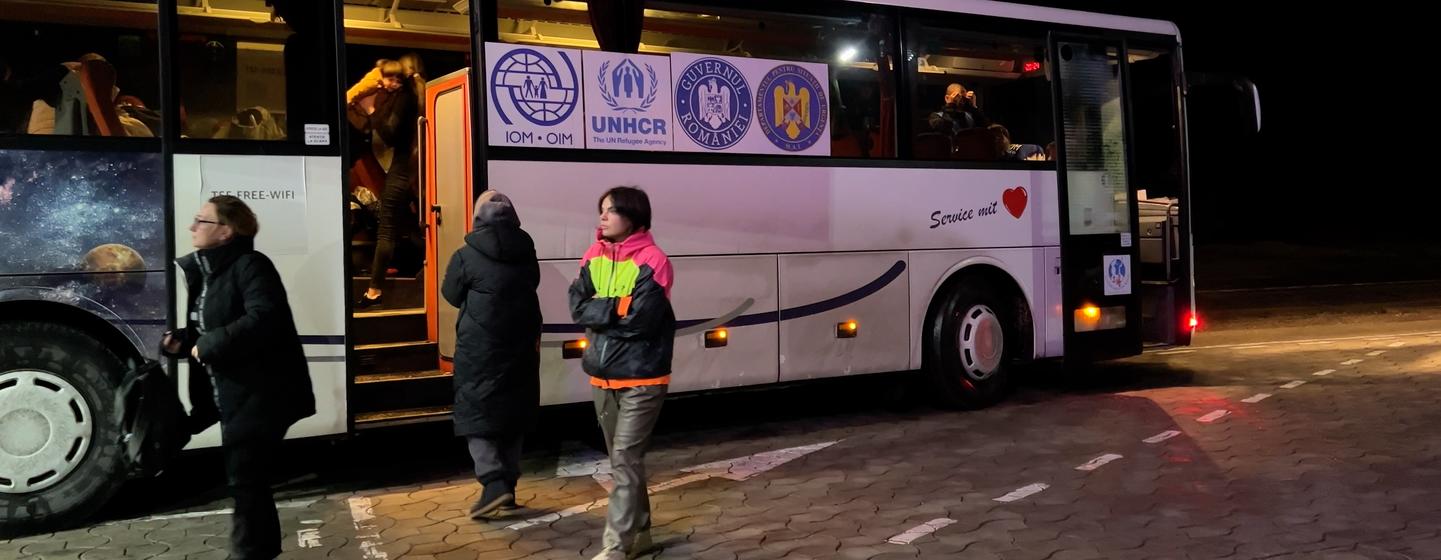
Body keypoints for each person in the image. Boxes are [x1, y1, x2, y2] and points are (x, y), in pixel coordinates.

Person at [161, 195, 316, 560]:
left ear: (226, 231)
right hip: (233, 393)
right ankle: (257, 549)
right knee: (248, 481)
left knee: (246, 479)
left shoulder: (251, 265)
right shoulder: (211, 270)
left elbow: (265, 317)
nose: (192, 227)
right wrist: (184, 342)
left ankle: (250, 553)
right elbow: (216, 322)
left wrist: (210, 344)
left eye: (202, 220)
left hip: (261, 391)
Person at [568, 186, 675, 560]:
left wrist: (603, 311)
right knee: (623, 460)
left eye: (611, 210)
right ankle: (641, 534)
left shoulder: (653, 261)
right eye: (601, 209)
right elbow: (577, 307)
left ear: (633, 217)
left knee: (625, 459)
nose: (602, 216)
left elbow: (641, 323)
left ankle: (615, 547)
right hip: (602, 376)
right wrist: (614, 308)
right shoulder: (593, 255)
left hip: (642, 378)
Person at [440, 190, 542, 520]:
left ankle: (493, 483)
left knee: (477, 414)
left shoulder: (464, 254)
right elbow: (533, 284)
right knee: (513, 414)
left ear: (477, 219)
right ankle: (507, 487)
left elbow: (451, 294)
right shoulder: (526, 251)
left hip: (479, 347)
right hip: (521, 344)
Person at [354, 54, 426, 308]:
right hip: (416, 167)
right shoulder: (419, 94)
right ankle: (427, 276)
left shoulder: (405, 98)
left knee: (387, 228)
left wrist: (371, 111)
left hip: (403, 166)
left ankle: (374, 291)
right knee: (416, 226)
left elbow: (391, 133)